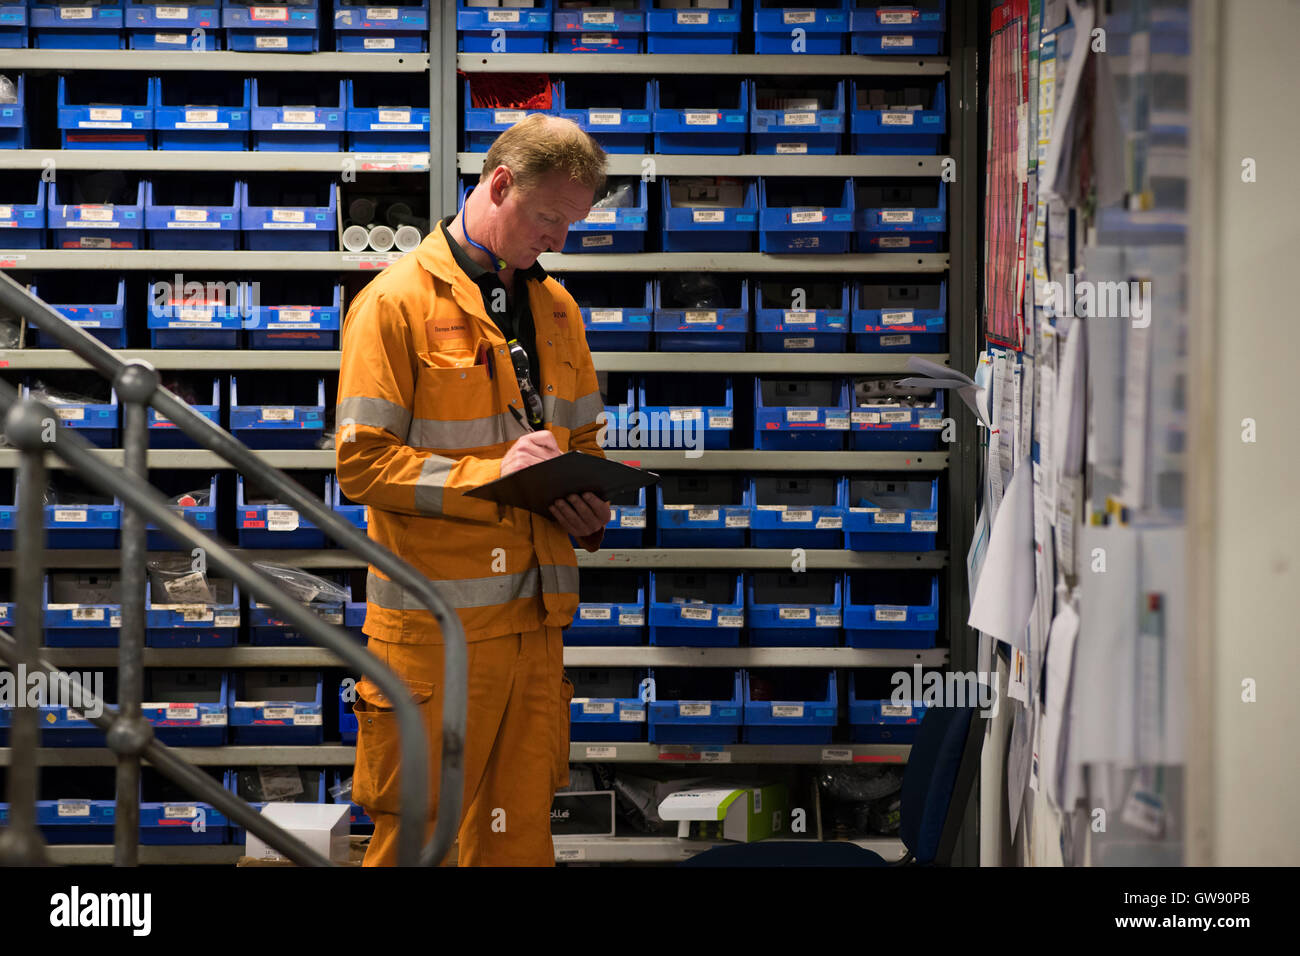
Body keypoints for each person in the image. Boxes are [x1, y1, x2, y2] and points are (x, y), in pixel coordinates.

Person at [335, 114, 611, 866]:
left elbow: (580, 446)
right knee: (419, 838)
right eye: (550, 216)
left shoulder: (558, 313)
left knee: (516, 837)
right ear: (498, 185)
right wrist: (494, 476)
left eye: (573, 224)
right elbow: (362, 465)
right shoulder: (395, 305)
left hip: (534, 626)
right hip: (435, 637)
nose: (558, 238)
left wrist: (587, 506)